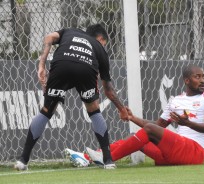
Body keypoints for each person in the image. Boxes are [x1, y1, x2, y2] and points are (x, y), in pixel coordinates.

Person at [14, 24, 128, 171]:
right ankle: (108, 161)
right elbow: (109, 90)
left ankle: (23, 160)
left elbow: (49, 37)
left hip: (62, 64)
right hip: (86, 70)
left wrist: (41, 65)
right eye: (103, 43)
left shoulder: (70, 31)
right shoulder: (99, 48)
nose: (103, 46)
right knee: (94, 111)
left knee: (46, 111)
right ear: (100, 39)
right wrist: (122, 109)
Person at [66, 65, 204, 167]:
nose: (202, 80)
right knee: (136, 137)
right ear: (187, 80)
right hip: (171, 155)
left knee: (146, 132)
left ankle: (108, 160)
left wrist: (186, 124)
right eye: (198, 77)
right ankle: (86, 158)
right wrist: (133, 118)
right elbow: (158, 126)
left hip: (194, 153)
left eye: (203, 77)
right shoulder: (176, 100)